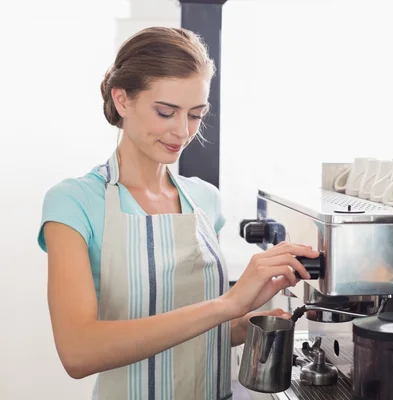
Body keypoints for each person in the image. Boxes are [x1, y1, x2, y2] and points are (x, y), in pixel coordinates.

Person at [37, 26, 317, 400]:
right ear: (122, 100)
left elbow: (204, 330)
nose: (182, 132)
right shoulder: (73, 202)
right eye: (166, 112)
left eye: (196, 115)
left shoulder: (205, 200)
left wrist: (245, 321)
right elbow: (78, 352)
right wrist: (227, 304)